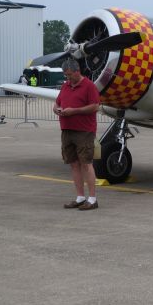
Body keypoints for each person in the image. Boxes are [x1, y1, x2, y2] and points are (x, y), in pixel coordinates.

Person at [54, 58, 101, 211]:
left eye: (69, 75)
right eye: (65, 75)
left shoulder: (89, 86)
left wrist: (75, 111)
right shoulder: (65, 86)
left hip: (84, 131)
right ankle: (80, 197)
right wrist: (56, 109)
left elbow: (95, 106)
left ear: (77, 71)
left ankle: (92, 199)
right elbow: (58, 102)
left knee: (86, 163)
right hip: (67, 130)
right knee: (73, 164)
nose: (67, 78)